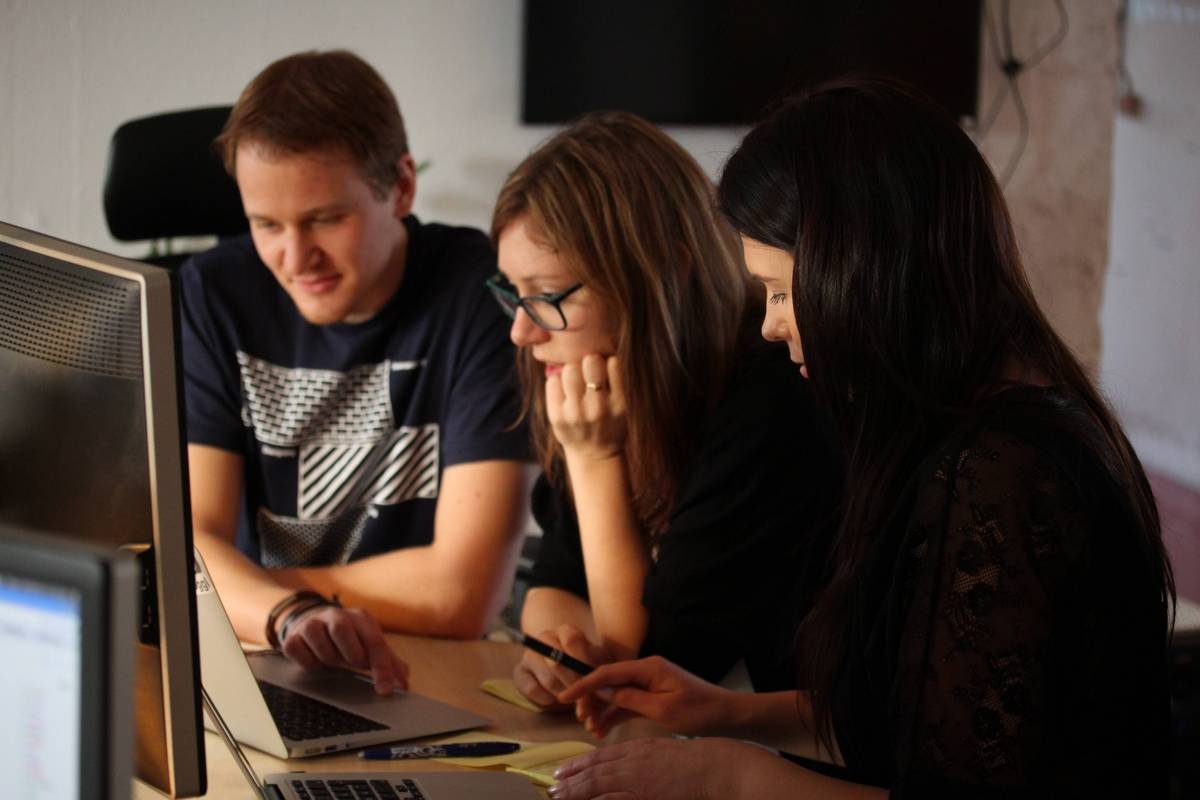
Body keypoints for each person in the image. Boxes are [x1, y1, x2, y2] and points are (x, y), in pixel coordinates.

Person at [548, 79, 1175, 798]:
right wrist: (730, 714)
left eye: (781, 291)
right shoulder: (954, 437)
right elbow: (930, 721)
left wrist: (736, 777)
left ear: (863, 272)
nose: (770, 325)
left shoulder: (1004, 471)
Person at [180, 50, 530, 693]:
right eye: (265, 224)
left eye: (325, 219)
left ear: (401, 185)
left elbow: (464, 594)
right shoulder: (212, 292)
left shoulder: (482, 294)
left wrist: (250, 592)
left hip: (427, 667)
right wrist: (289, 615)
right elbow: (194, 542)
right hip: (268, 651)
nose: (294, 257)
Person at [488, 111, 842, 712]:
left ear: (666, 274)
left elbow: (655, 665)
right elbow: (553, 580)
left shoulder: (772, 400)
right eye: (511, 293)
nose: (522, 331)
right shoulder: (595, 377)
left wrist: (594, 457)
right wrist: (556, 655)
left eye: (547, 296)